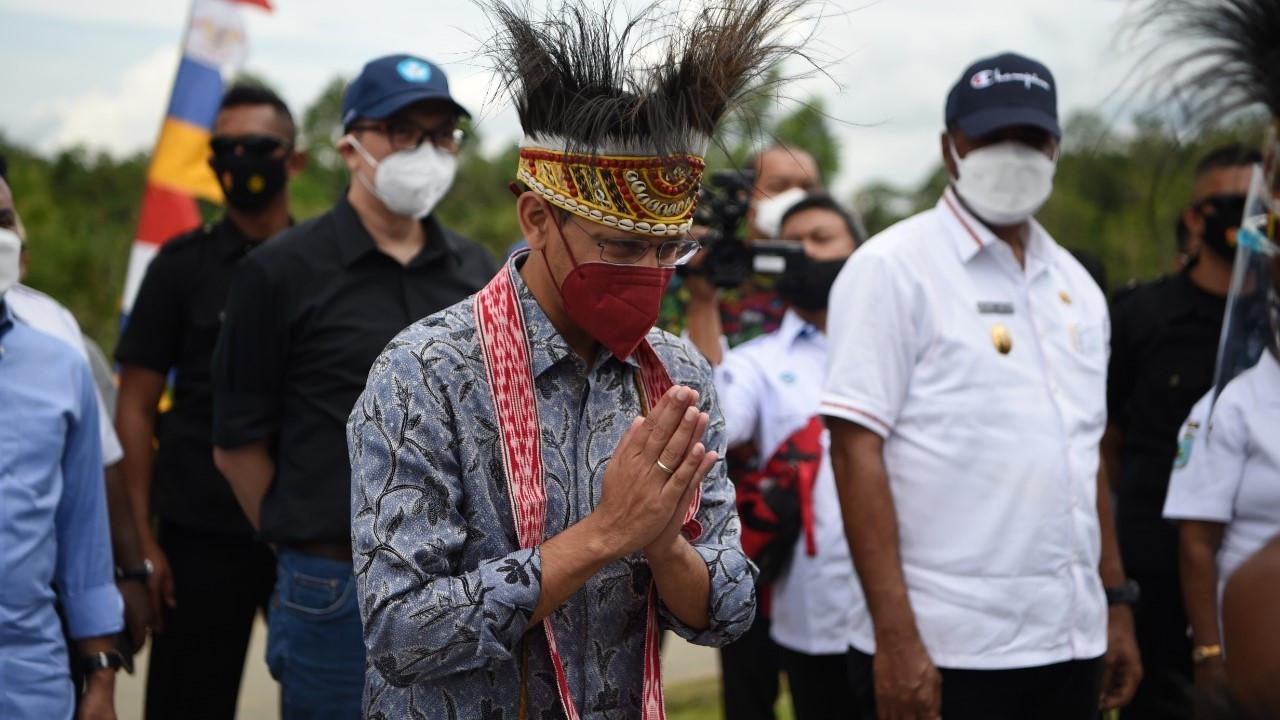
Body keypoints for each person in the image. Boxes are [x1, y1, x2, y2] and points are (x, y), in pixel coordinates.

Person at [346, 1, 797, 715]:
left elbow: (728, 607)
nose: (648, 272)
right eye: (619, 248)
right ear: (537, 219)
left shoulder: (677, 376)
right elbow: (401, 631)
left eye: (666, 251)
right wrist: (603, 536)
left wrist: (664, 545)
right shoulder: (425, 372)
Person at [821, 51, 1142, 719]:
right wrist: (897, 639)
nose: (1013, 155)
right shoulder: (891, 269)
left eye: (1032, 139)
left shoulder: (1077, 288)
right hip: (948, 649)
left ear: (1056, 147)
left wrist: (1114, 604)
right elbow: (855, 454)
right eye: (993, 138)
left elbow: (1082, 457)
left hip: (1068, 641)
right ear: (950, 148)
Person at [209, 55, 494, 718]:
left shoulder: (477, 272)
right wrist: (305, 544)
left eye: (440, 134)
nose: (424, 150)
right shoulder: (278, 272)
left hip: (458, 585)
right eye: (401, 131)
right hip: (333, 585)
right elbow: (236, 444)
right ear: (348, 146)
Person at [113, 83, 303, 720]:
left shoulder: (326, 264)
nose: (241, 160)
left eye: (259, 147)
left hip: (308, 538)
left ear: (293, 160)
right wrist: (142, 542)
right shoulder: (178, 266)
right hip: (197, 537)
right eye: (226, 148)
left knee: (330, 701)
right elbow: (134, 404)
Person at [1104, 143, 1258, 719]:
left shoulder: (1268, 322)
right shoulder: (1141, 316)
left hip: (1255, 573)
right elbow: (1106, 442)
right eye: (1236, 204)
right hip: (1159, 576)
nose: (1253, 218)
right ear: (1197, 216)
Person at [714, 193, 861, 720]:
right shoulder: (759, 360)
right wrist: (706, 301)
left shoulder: (909, 344)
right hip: (815, 609)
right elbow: (720, 425)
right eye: (792, 244)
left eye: (821, 240)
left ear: (859, 250)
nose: (805, 253)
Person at [0, 177, 152, 673]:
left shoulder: (56, 342)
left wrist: (131, 575)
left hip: (29, 660)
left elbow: (95, 485)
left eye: (3, 221)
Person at [0, 225, 124, 720]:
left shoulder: (60, 367)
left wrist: (100, 675)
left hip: (29, 681)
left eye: (5, 219)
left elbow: (84, 542)